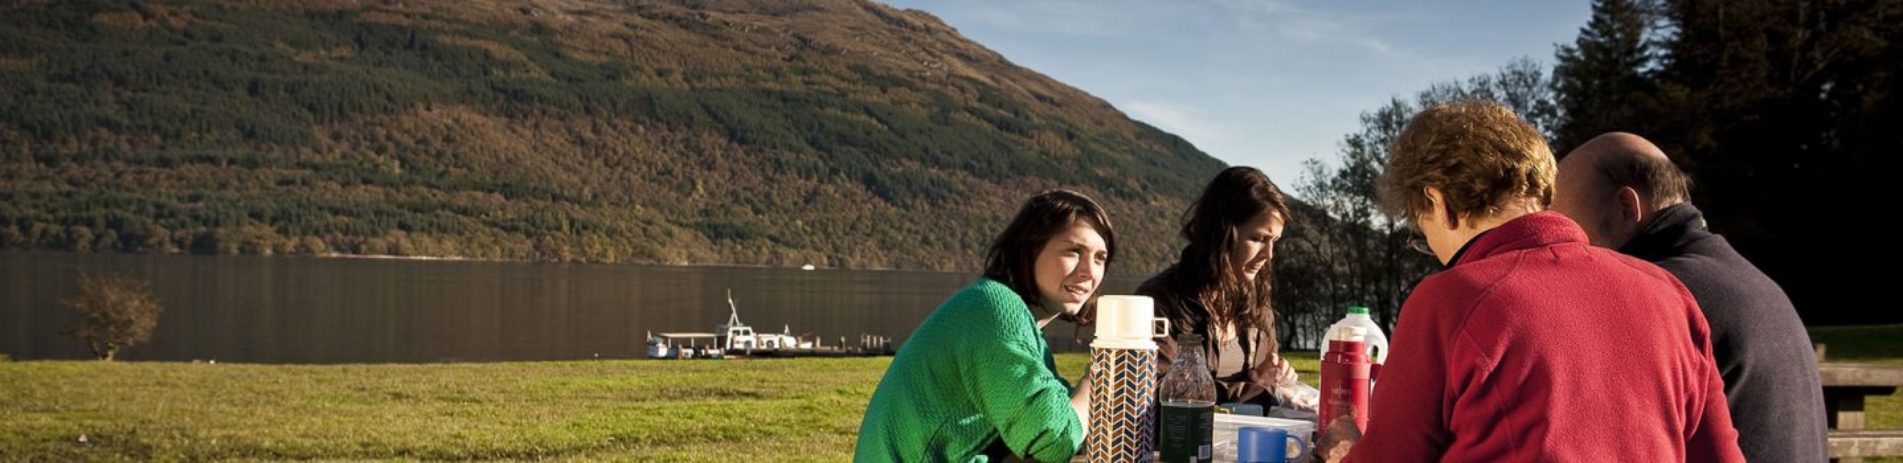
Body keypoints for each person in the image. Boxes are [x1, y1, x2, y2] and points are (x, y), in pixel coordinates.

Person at [1327, 101, 1744, 462]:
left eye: (1422, 229)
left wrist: (1350, 447)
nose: (1431, 246)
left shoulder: (1449, 300)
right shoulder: (1669, 294)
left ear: (1438, 202)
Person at [1553, 132, 1827, 462]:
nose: (1567, 256)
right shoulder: (1752, 281)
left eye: (1572, 233)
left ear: (1627, 208)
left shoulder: (1660, 298)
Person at [855, 189, 1110, 462]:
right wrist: (1102, 374)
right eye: (1074, 251)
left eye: (1099, 258)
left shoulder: (1019, 323)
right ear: (1029, 249)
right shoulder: (995, 307)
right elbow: (1055, 438)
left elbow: (1063, 416)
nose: (1089, 271)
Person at [1138, 166, 1310, 410]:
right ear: (1221, 233)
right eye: (1259, 239)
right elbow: (1155, 396)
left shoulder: (1257, 300)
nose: (1269, 255)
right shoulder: (1159, 301)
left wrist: (1274, 376)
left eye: (1275, 242)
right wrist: (1255, 390)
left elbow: (1261, 383)